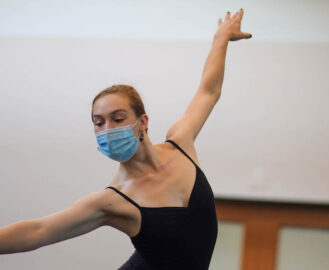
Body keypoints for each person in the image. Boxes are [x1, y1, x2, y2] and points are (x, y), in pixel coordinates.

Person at [0, 8, 251, 270]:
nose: (107, 129)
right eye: (98, 123)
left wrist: (221, 38)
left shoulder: (181, 142)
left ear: (142, 122)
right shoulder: (113, 200)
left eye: (117, 119)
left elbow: (208, 91)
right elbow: (38, 231)